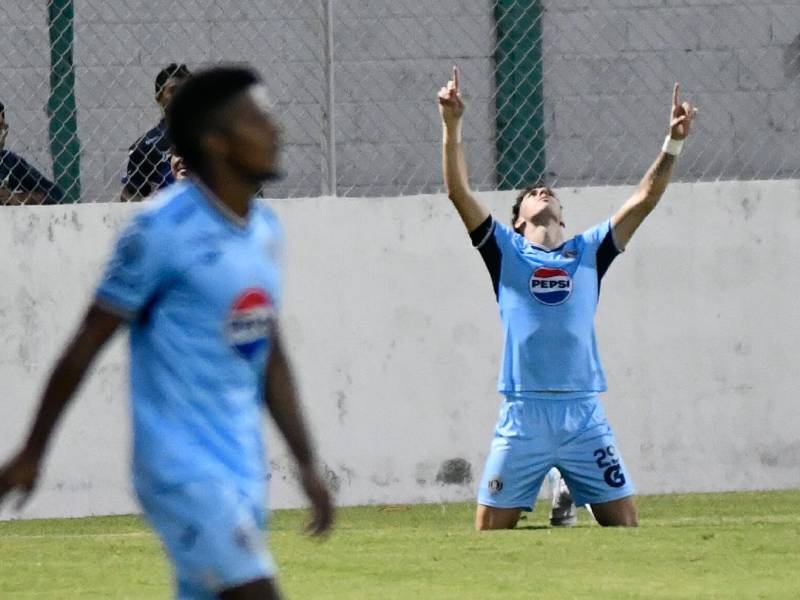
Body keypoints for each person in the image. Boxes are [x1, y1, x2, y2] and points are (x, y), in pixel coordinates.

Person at [0, 66, 334, 599]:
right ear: (215, 141)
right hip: (179, 467)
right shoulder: (160, 230)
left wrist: (306, 464)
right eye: (257, 118)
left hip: (239, 463)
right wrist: (33, 450)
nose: (276, 129)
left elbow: (267, 353)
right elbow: (88, 339)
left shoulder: (264, 230)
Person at [438, 67, 696, 530]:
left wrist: (672, 143)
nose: (543, 192)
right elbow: (458, 191)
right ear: (517, 220)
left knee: (626, 524)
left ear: (561, 214)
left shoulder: (589, 250)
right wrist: (451, 124)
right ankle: (557, 484)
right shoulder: (505, 250)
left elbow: (644, 199)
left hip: (582, 414)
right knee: (487, 533)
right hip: (523, 414)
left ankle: (568, 481)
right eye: (532, 194)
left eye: (548, 191)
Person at [120, 63, 191, 202]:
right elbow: (131, 194)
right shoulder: (146, 145)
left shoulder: (216, 136)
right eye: (174, 90)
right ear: (159, 97)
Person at [0, 101, 64, 205]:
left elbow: (55, 195)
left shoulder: (9, 162)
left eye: (0, 126)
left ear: (5, 130)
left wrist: (16, 198)